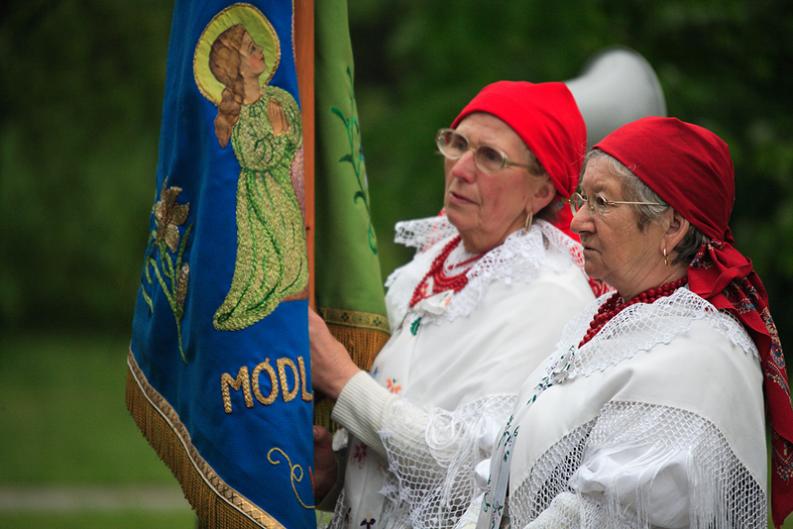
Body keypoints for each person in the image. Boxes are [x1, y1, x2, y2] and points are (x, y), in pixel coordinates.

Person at [469, 116, 793, 529]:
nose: (578, 221)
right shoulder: (605, 317)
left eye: (602, 202)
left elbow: (607, 513)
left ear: (673, 226)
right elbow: (510, 464)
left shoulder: (702, 354)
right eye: (581, 199)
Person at [309, 81, 598, 529]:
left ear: (541, 191)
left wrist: (342, 381)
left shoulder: (550, 295)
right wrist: (335, 478)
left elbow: (472, 475)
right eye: (457, 144)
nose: (461, 168)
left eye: (490, 156)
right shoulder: (430, 262)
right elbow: (398, 444)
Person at [208, 24, 308, 331]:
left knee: (293, 249)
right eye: (251, 49)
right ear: (235, 68)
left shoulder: (279, 97)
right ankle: (274, 325)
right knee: (271, 258)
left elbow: (298, 139)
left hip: (289, 187)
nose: (260, 51)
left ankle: (294, 317)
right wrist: (279, 136)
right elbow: (254, 157)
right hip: (262, 197)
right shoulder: (238, 115)